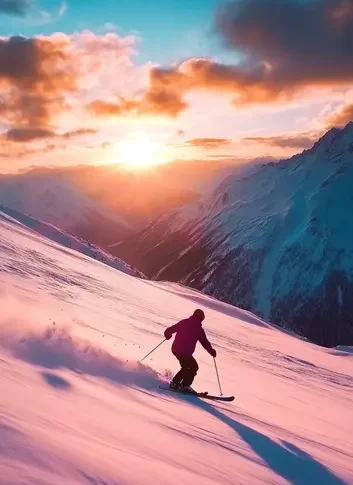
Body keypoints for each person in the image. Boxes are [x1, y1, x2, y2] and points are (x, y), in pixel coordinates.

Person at [164, 309, 217, 393]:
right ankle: (182, 385)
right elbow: (204, 342)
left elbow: (170, 330)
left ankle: (178, 384)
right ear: (201, 318)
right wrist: (211, 351)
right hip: (185, 353)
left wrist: (167, 335)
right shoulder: (199, 329)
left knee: (187, 367)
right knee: (192, 367)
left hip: (176, 349)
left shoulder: (184, 322)